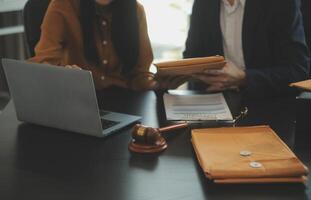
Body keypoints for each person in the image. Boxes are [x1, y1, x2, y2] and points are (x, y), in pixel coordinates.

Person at [183, 0, 310, 99]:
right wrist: (174, 77)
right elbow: (192, 58)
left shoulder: (280, 3)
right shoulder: (203, 3)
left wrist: (244, 78)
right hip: (214, 105)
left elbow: (298, 71)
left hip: (269, 106)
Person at [29, 0, 156, 91]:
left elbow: (140, 74)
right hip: (78, 98)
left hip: (126, 101)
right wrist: (64, 75)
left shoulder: (136, 9)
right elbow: (43, 63)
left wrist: (158, 83)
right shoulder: (63, 5)